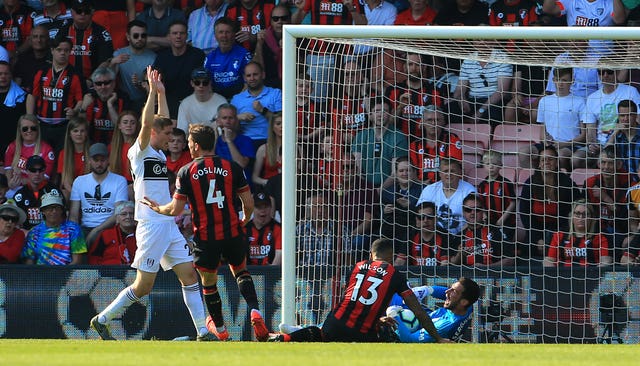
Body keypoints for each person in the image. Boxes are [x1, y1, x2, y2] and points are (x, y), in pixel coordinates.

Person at [90, 67, 214, 342]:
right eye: (167, 131)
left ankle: (203, 332)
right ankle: (102, 319)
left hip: (167, 222)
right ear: (155, 132)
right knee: (143, 286)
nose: (171, 135)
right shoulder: (140, 149)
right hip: (150, 224)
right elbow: (147, 123)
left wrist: (162, 92)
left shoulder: (156, 153)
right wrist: (150, 94)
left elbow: (161, 119)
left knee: (189, 277)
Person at [141, 123, 270, 342]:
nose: (188, 146)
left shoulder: (186, 171)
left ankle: (220, 329)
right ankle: (254, 310)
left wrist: (157, 208)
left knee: (209, 282)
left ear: (197, 146)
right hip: (232, 232)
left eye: (190, 143)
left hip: (206, 237)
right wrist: (243, 219)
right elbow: (247, 203)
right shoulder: (232, 167)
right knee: (241, 271)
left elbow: (175, 210)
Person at [267, 238, 448, 343]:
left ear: (371, 255)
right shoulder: (394, 274)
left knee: (322, 333)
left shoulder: (357, 266)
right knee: (387, 342)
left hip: (335, 322)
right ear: (390, 258)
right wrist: (438, 338)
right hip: (360, 332)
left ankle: (283, 339)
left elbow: (356, 300)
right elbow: (417, 309)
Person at [519, 145, 583, 260]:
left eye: (550, 159)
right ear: (539, 164)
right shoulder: (530, 184)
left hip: (562, 230)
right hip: (537, 230)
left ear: (557, 163)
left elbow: (575, 211)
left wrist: (557, 238)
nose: (546, 162)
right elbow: (525, 215)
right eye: (543, 159)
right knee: (526, 251)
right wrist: (537, 239)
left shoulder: (567, 183)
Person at [28, 37, 85, 152]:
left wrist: (74, 110)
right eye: (59, 50)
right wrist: (30, 118)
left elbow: (81, 99)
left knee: (62, 158)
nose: (63, 53)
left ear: (70, 52)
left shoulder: (76, 74)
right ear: (52, 50)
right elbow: (31, 96)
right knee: (42, 157)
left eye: (66, 50)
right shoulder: (41, 71)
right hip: (42, 124)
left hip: (64, 125)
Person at [383, 277, 481, 343]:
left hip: (409, 330)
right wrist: (428, 289)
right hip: (422, 317)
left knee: (388, 298)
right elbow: (448, 294)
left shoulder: (443, 326)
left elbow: (409, 339)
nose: (447, 291)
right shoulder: (467, 307)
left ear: (463, 302)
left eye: (453, 291)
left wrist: (392, 314)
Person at [583, 145, 635, 261]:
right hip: (598, 231)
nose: (606, 167)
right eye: (603, 162)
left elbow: (627, 221)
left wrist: (606, 199)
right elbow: (587, 214)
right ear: (598, 164)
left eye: (611, 163)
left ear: (619, 165)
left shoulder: (629, 185)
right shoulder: (590, 184)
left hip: (622, 232)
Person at [69, 142, 128, 241]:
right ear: (89, 160)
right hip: (85, 228)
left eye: (102, 160)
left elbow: (118, 213)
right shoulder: (79, 181)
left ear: (108, 160)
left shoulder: (120, 181)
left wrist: (96, 230)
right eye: (96, 160)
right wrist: (76, 234)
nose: (99, 164)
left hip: (110, 228)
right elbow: (73, 214)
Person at [534, 67, 587, 171]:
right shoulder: (544, 101)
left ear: (572, 81)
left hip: (570, 145)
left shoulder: (579, 101)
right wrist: (546, 142)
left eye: (564, 80)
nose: (560, 83)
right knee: (524, 152)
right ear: (553, 80)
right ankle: (536, 178)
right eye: (558, 80)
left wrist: (564, 144)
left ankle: (563, 182)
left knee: (560, 155)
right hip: (549, 145)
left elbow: (583, 135)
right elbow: (542, 129)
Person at [152, 20, 205, 120]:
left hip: (194, 103)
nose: (178, 36)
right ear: (169, 36)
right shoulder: (161, 57)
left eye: (182, 33)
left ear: (187, 35)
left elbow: (203, 82)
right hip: (168, 105)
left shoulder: (198, 55)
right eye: (175, 33)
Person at [450, 43, 512, 125]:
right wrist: (461, 99)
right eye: (478, 40)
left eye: (485, 39)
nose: (481, 42)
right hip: (473, 100)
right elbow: (459, 89)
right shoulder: (468, 59)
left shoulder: (503, 58)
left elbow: (502, 91)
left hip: (494, 102)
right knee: (450, 109)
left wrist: (480, 111)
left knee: (493, 114)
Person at [351, 98, 409, 187]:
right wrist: (367, 191)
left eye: (384, 111)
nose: (380, 115)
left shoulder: (398, 136)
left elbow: (395, 173)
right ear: (370, 115)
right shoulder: (360, 136)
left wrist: (379, 192)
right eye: (376, 111)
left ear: (390, 114)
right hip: (363, 189)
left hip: (390, 189)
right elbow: (357, 170)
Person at [22, 191, 87, 265]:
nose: (54, 211)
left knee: (94, 274)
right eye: (49, 208)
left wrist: (64, 275)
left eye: (57, 208)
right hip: (40, 274)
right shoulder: (34, 232)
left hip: (68, 273)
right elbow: (29, 261)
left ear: (62, 210)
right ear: (43, 211)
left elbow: (77, 261)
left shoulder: (74, 229)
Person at [450, 193, 515, 267]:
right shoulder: (459, 237)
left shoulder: (496, 231)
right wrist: (460, 255)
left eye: (477, 210)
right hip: (466, 277)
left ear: (483, 211)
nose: (472, 213)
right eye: (468, 210)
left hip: (493, 276)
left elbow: (510, 260)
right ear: (463, 213)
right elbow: (452, 264)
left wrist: (485, 268)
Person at [55, 0, 114, 80]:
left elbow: (105, 61)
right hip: (66, 80)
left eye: (86, 11)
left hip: (93, 81)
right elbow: (54, 56)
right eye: (79, 11)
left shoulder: (101, 32)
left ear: (92, 12)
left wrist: (91, 80)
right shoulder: (63, 30)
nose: (82, 14)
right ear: (72, 12)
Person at [543, 199, 612, 267]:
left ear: (592, 218)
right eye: (577, 214)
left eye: (585, 214)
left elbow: (606, 261)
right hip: (563, 275)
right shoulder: (559, 236)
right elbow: (549, 260)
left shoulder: (599, 237)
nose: (581, 217)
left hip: (590, 275)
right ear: (571, 217)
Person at [416, 158, 475, 236]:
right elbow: (419, 216)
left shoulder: (469, 191)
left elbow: (474, 219)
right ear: (440, 173)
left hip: (461, 236)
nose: (449, 174)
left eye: (453, 171)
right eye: (445, 171)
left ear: (460, 172)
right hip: (434, 237)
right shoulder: (429, 190)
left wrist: (456, 238)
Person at [110, 20, 158, 112]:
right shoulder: (118, 54)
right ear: (128, 37)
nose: (139, 38)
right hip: (123, 101)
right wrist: (113, 63)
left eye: (143, 35)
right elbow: (110, 78)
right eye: (136, 36)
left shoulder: (153, 57)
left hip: (145, 101)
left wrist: (141, 85)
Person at [408, 105, 462, 184]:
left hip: (447, 186)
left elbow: (455, 169)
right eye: (429, 120)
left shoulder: (452, 140)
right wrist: (420, 183)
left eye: (437, 120)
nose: (433, 123)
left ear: (443, 122)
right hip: (421, 187)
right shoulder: (414, 145)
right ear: (422, 122)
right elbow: (411, 173)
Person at [204, 17, 252, 100]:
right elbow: (206, 85)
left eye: (228, 32)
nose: (224, 36)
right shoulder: (210, 58)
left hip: (240, 98)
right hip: (217, 100)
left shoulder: (244, 55)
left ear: (234, 34)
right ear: (215, 35)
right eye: (221, 32)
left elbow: (249, 84)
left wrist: (236, 101)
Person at [381, 156, 422, 252]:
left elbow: (426, 214)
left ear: (414, 172)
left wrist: (410, 206)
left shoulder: (422, 190)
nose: (405, 173)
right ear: (396, 173)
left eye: (408, 170)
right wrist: (384, 210)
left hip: (413, 231)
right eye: (401, 171)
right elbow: (378, 216)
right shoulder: (388, 192)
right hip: (391, 232)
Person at [4, 114, 56, 191]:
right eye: (25, 128)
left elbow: (44, 179)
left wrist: (21, 180)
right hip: (14, 188)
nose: (29, 131)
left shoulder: (47, 150)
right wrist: (10, 183)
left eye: (33, 128)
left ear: (38, 130)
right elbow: (8, 170)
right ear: (20, 131)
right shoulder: (12, 146)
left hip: (37, 190)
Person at [80, 67, 129, 144]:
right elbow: (81, 128)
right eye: (99, 84)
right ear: (94, 86)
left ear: (113, 84)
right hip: (93, 146)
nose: (103, 87)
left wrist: (110, 106)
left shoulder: (123, 98)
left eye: (106, 83)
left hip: (117, 144)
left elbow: (122, 129)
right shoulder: (89, 98)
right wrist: (83, 108)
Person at [12, 155, 62, 230]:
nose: (37, 173)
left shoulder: (53, 190)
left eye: (40, 170)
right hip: (28, 234)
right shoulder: (20, 195)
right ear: (26, 171)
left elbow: (63, 215)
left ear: (44, 170)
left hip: (52, 232)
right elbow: (14, 222)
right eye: (33, 170)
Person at [476, 150, 517, 241]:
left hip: (506, 222)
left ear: (500, 165)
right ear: (483, 165)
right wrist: (484, 215)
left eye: (494, 163)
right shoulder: (482, 185)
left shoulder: (505, 183)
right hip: (490, 222)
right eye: (487, 164)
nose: (491, 166)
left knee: (505, 246)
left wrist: (503, 219)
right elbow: (481, 204)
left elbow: (513, 202)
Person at [213, 103, 255, 184]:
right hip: (220, 184)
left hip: (241, 185)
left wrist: (229, 141)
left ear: (236, 120)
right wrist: (214, 136)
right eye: (224, 118)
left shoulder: (246, 140)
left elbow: (241, 164)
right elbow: (207, 161)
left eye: (231, 118)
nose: (228, 121)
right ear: (218, 121)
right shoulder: (215, 141)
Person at [176, 67, 227, 133]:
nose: (201, 86)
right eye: (197, 82)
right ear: (192, 83)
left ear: (210, 83)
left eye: (205, 83)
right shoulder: (185, 104)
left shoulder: (221, 102)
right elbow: (182, 131)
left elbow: (223, 130)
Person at [87, 200, 137, 265]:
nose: (128, 217)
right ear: (117, 219)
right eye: (124, 214)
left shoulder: (142, 235)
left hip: (135, 271)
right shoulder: (106, 235)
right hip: (109, 272)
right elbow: (94, 258)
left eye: (131, 213)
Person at [403, 201, 452, 266]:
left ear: (435, 219)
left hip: (439, 274)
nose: (425, 220)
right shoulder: (410, 236)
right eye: (421, 217)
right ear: (417, 221)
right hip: (415, 275)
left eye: (429, 217)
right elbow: (399, 261)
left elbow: (445, 264)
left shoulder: (445, 236)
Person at [253, 4, 290, 89]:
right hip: (269, 86)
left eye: (284, 18)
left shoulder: (297, 37)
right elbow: (257, 67)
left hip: (292, 84)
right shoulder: (264, 37)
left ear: (290, 19)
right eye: (275, 19)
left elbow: (301, 66)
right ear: (271, 21)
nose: (279, 21)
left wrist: (289, 49)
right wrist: (259, 44)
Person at [56, 116, 90, 200]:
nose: (79, 134)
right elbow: (65, 182)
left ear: (86, 133)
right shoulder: (63, 153)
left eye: (82, 131)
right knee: (64, 193)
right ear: (69, 134)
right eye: (75, 131)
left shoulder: (92, 152)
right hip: (72, 192)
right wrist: (77, 195)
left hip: (90, 190)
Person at [0, 61, 30, 155]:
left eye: (6, 73)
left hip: (15, 148)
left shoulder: (22, 97)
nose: (3, 76)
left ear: (11, 75)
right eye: (0, 74)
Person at [245, 191, 282, 265]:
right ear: (253, 209)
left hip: (271, 273)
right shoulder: (244, 229)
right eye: (258, 207)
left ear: (271, 208)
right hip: (249, 273)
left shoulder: (278, 229)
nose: (263, 211)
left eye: (266, 207)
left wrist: (270, 272)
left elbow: (280, 254)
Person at [13, 25, 51, 94]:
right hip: (24, 97)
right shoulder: (23, 59)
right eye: (35, 37)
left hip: (46, 98)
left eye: (42, 37)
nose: (39, 40)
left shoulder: (53, 58)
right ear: (30, 40)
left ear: (48, 39)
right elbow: (16, 85)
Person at [606, 100, 640, 176]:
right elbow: (605, 155)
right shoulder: (615, 134)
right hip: (620, 183)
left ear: (636, 116)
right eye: (622, 115)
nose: (625, 119)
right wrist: (614, 134)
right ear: (618, 116)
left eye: (629, 115)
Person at [108, 110, 140, 188]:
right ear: (119, 126)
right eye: (125, 122)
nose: (129, 125)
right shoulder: (112, 147)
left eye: (132, 123)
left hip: (135, 185)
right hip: (115, 185)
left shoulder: (139, 146)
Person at [252, 112, 282, 187]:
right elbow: (255, 177)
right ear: (272, 127)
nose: (282, 126)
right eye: (278, 124)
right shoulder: (263, 149)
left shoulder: (298, 149)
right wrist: (270, 183)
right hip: (269, 187)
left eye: (285, 123)